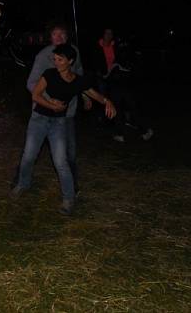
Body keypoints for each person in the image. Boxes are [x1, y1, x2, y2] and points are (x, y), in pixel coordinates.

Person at [12, 43, 116, 215]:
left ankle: (69, 199)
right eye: (55, 59)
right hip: (38, 120)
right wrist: (50, 105)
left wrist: (108, 101)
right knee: (29, 156)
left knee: (61, 161)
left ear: (70, 61)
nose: (56, 62)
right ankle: (23, 184)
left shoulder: (77, 81)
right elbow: (35, 95)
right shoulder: (49, 74)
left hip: (58, 124)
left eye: (60, 60)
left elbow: (93, 94)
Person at [23, 22, 88, 194]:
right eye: (55, 34)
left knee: (69, 153)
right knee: (30, 153)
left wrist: (85, 95)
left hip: (67, 113)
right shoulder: (43, 56)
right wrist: (50, 101)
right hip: (42, 112)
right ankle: (21, 182)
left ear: (68, 36)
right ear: (50, 37)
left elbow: (79, 76)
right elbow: (31, 83)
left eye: (63, 34)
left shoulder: (74, 53)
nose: (59, 38)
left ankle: (72, 188)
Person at [96, 27, 153, 142]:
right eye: (107, 33)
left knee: (128, 105)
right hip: (110, 80)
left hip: (122, 81)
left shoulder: (119, 46)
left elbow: (126, 64)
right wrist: (103, 74)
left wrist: (116, 69)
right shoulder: (98, 47)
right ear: (103, 35)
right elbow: (97, 64)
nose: (109, 35)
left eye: (111, 33)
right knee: (114, 105)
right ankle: (119, 131)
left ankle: (143, 129)